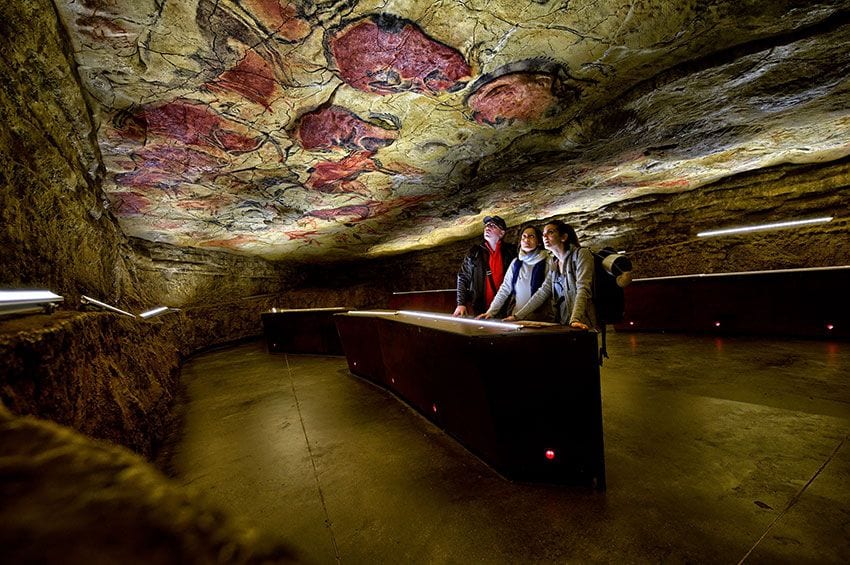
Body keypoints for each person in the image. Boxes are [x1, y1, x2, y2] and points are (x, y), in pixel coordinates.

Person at [508, 220, 597, 330]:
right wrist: (517, 316)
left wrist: (575, 319)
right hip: (564, 323)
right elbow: (543, 292)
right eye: (543, 233)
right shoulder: (554, 263)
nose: (544, 236)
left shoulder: (581, 255)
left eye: (550, 232)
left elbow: (583, 288)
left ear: (563, 237)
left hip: (582, 323)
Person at [477, 225, 551, 321]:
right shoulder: (516, 263)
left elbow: (543, 292)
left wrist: (518, 316)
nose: (526, 239)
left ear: (539, 242)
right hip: (515, 318)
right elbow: (504, 289)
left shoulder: (547, 261)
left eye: (531, 236)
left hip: (540, 320)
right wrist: (490, 312)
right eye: (523, 236)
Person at [452, 215, 517, 317]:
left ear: (502, 233)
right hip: (480, 306)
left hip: (505, 307)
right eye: (486, 225)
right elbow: (463, 277)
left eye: (493, 226)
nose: (487, 227)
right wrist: (461, 303)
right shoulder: (475, 253)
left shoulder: (511, 252)